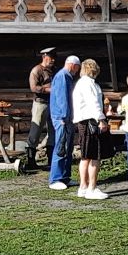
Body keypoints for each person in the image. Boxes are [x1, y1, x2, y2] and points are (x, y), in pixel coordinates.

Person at [72, 57, 108, 200]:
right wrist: (101, 119)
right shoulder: (89, 84)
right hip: (91, 121)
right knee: (94, 156)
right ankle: (92, 188)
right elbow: (93, 102)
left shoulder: (81, 83)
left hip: (83, 121)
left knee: (85, 156)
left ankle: (83, 187)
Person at [20, 46, 56, 173]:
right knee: (35, 131)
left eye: (54, 58)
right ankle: (31, 161)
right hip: (40, 104)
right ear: (44, 57)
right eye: (51, 58)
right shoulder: (36, 70)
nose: (53, 60)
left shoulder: (54, 70)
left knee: (53, 131)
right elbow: (34, 87)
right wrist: (48, 89)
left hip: (53, 103)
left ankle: (51, 160)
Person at [47, 54, 79, 190]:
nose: (77, 71)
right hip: (62, 118)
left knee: (68, 148)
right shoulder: (63, 76)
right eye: (77, 68)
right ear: (73, 65)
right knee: (61, 147)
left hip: (67, 118)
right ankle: (55, 179)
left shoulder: (66, 76)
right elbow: (62, 98)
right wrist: (65, 116)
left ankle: (65, 177)